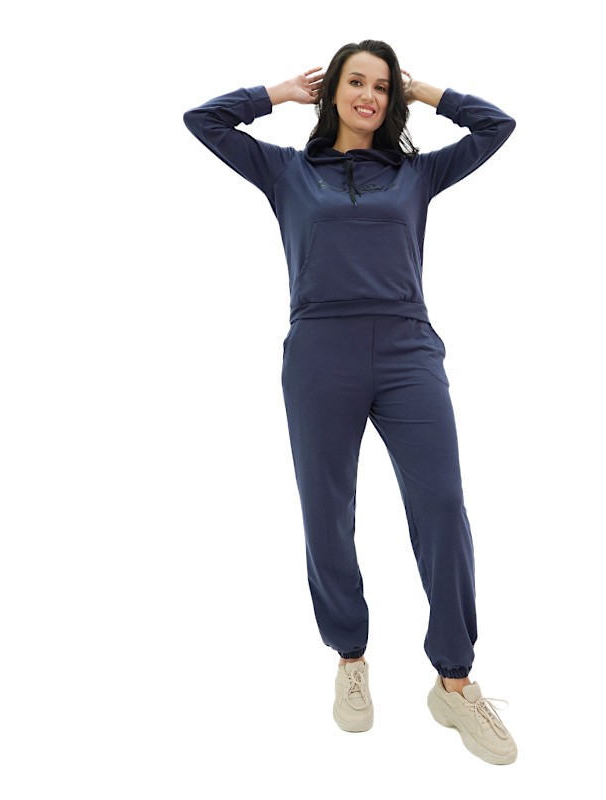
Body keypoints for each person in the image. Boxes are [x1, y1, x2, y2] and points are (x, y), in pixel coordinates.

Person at [183, 39, 517, 765]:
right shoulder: (287, 171)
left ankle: (455, 682)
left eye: (381, 86)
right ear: (331, 88)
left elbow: (497, 125)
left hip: (407, 351)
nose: (369, 95)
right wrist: (275, 93)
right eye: (356, 81)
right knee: (327, 509)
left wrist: (425, 90)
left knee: (442, 506)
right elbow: (202, 121)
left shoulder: (417, 174)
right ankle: (350, 656)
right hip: (319, 353)